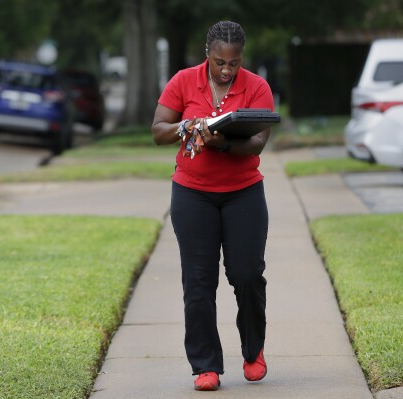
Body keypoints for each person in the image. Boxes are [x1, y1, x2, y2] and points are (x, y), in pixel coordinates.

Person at [151, 20, 274, 391]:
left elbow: (258, 141)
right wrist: (187, 125)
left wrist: (221, 142)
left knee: (247, 275)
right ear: (208, 55)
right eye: (220, 61)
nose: (226, 70)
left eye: (233, 63)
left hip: (243, 193)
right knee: (199, 282)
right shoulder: (184, 81)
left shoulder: (257, 86)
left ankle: (253, 352)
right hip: (193, 194)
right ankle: (205, 366)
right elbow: (158, 130)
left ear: (241, 59)